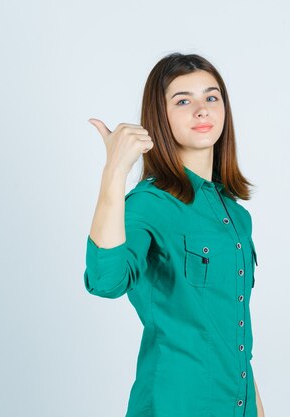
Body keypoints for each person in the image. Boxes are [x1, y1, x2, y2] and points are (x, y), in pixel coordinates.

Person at [83, 53, 265, 417]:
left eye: (211, 97)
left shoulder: (236, 216)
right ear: (159, 117)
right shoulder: (148, 204)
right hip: (174, 405)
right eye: (183, 101)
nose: (202, 110)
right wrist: (115, 171)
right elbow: (106, 281)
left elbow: (233, 335)